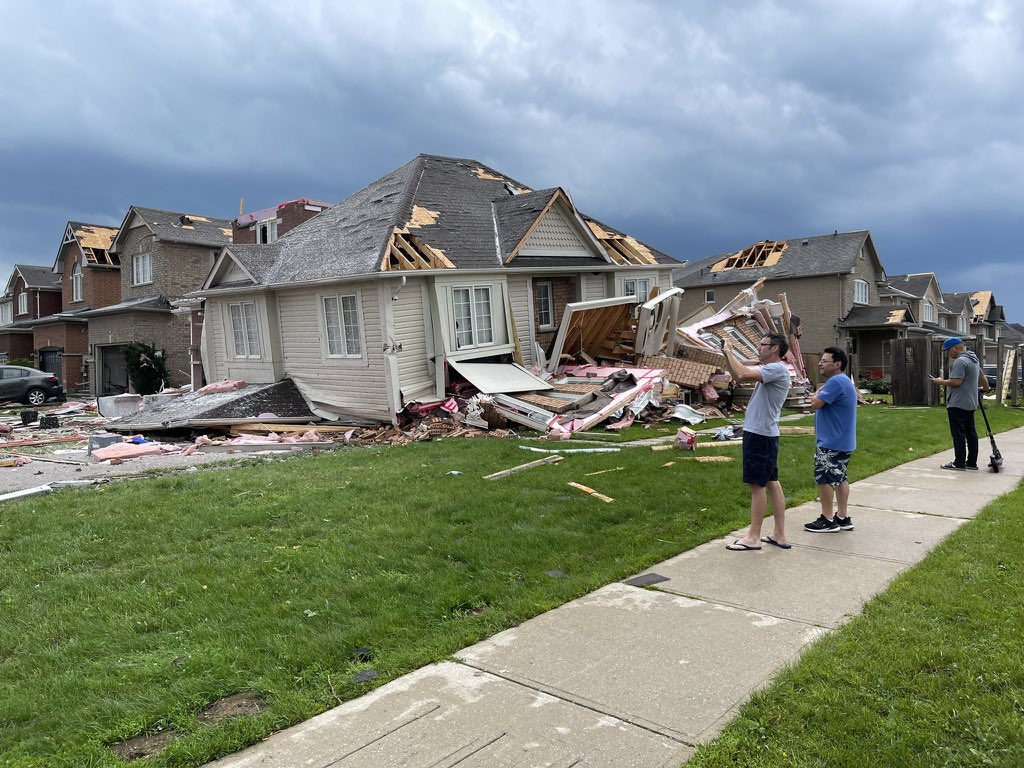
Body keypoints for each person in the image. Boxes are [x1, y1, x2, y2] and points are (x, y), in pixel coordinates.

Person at [722, 333, 791, 551]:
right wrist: (728, 356)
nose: (759, 348)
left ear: (775, 348)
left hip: (760, 435)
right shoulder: (773, 370)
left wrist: (728, 351)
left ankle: (753, 537)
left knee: (757, 485)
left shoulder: (776, 369)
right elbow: (738, 373)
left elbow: (741, 374)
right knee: (771, 482)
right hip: (766, 434)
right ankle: (779, 534)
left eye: (763, 345)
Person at [804, 347, 858, 532]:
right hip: (844, 440)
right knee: (841, 478)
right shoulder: (843, 381)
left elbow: (814, 404)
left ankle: (827, 519)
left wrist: (816, 394)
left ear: (837, 364)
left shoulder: (835, 382)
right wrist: (820, 392)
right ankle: (842, 517)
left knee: (824, 478)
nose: (820, 363)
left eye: (825, 360)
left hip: (831, 442)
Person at [933, 337, 988, 470]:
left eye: (948, 350)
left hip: (957, 403)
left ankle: (959, 463)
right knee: (971, 433)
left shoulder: (960, 361)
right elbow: (982, 377)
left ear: (955, 348)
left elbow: (956, 382)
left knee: (958, 433)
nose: (948, 354)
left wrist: (940, 381)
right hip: (970, 403)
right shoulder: (974, 359)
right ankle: (971, 463)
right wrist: (985, 388)